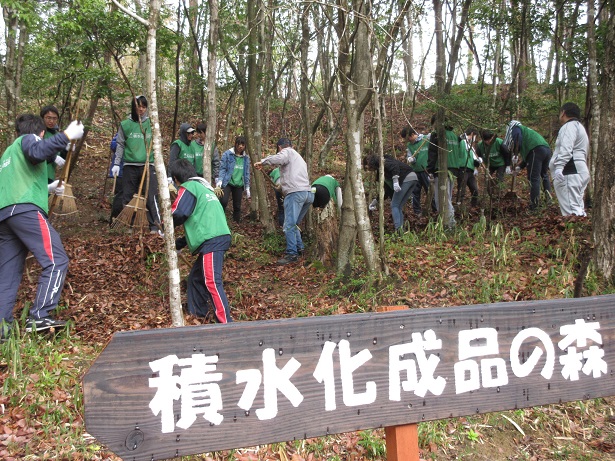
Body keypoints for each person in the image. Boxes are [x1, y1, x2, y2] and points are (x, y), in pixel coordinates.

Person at [0, 114, 84, 337]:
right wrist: (66, 136)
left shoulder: (8, 153)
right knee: (57, 260)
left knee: (7, 274)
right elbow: (38, 151)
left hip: (7, 215)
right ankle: (39, 316)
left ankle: (2, 328)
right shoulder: (30, 140)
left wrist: (48, 188)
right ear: (41, 133)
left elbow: (19, 179)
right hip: (26, 211)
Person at [170, 159, 232, 323]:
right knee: (196, 278)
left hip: (213, 240)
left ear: (177, 179)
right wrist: (181, 242)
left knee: (212, 280)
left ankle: (226, 323)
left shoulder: (189, 187)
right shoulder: (205, 189)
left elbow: (179, 212)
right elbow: (202, 221)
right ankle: (198, 314)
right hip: (216, 236)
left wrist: (164, 225)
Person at [254, 138, 314, 265]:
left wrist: (263, 161)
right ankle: (300, 247)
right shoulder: (299, 158)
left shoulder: (287, 152)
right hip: (307, 194)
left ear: (280, 148)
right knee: (295, 223)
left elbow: (279, 158)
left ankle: (292, 254)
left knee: (288, 225)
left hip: (295, 194)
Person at [111, 95, 162, 233]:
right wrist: (117, 163)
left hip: (148, 165)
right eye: (138, 106)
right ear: (133, 106)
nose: (141, 109)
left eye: (144, 106)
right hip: (130, 165)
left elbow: (157, 144)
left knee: (151, 196)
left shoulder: (151, 124)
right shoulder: (125, 124)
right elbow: (120, 144)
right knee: (128, 196)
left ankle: (155, 226)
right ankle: (129, 225)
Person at [549, 102, 590, 216]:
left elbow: (567, 148)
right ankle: (580, 231)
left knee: (571, 211)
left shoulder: (569, 126)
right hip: (579, 170)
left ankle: (575, 232)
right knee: (576, 206)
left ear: (563, 113)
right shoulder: (579, 127)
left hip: (569, 172)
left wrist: (559, 167)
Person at [503, 119, 552, 210]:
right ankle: (548, 200)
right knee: (544, 175)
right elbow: (529, 157)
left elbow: (518, 138)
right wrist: (519, 167)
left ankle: (534, 205)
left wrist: (515, 154)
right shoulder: (527, 132)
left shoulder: (516, 128)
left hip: (536, 150)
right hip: (546, 150)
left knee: (533, 178)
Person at [365, 154, 418, 232]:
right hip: (413, 178)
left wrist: (395, 180)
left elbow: (394, 166)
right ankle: (401, 230)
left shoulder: (383, 161)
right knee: (398, 206)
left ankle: (398, 230)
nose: (368, 169)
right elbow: (386, 191)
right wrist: (375, 201)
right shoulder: (381, 172)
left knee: (394, 205)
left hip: (407, 178)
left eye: (367, 166)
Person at [426, 115, 456, 228]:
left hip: (441, 170)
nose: (433, 127)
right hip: (453, 169)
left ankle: (449, 224)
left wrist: (430, 170)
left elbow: (432, 153)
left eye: (433, 124)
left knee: (441, 199)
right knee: (448, 197)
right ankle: (449, 222)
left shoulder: (437, 134)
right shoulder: (453, 135)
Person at [217, 136, 251, 223]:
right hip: (228, 182)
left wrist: (247, 187)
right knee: (223, 201)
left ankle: (236, 223)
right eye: (239, 144)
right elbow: (222, 168)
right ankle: (220, 220)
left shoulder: (246, 158)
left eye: (242, 145)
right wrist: (220, 180)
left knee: (237, 206)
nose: (240, 146)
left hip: (238, 184)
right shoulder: (228, 154)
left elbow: (246, 173)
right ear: (235, 144)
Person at [402, 126, 434, 216]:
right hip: (415, 171)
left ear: (412, 135)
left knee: (430, 190)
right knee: (415, 191)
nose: (408, 141)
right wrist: (410, 159)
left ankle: (434, 210)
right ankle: (417, 212)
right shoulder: (409, 145)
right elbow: (410, 156)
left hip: (426, 170)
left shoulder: (426, 139)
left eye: (408, 138)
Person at [40, 105, 67, 183]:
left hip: (50, 175)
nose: (51, 121)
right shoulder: (38, 132)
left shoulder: (58, 135)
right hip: (36, 174)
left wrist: (66, 149)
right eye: (48, 118)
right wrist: (53, 157)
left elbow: (62, 159)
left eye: (54, 118)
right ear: (42, 118)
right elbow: (36, 150)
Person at [457, 127, 482, 207]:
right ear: (472, 134)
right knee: (462, 189)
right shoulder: (462, 142)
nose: (475, 139)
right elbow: (458, 141)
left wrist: (477, 164)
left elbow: (474, 159)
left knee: (475, 189)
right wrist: (464, 137)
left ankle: (473, 206)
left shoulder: (471, 147)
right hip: (462, 169)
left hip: (470, 171)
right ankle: (459, 205)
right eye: (474, 136)